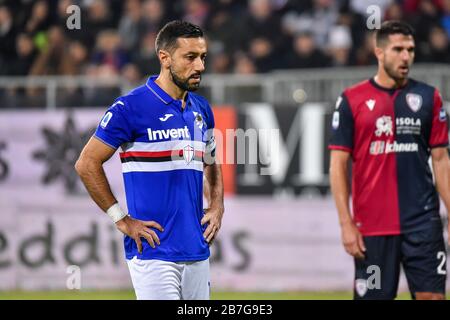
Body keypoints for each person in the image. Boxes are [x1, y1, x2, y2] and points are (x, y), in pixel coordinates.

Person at [75, 20, 224, 300]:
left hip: (196, 249)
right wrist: (121, 219)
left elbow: (211, 163)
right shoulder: (130, 107)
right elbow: (86, 163)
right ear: (164, 58)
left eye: (203, 57)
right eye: (190, 57)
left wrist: (217, 204)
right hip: (153, 253)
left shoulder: (202, 108)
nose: (200, 66)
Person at [329, 20, 450, 300]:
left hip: (423, 223)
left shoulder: (429, 97)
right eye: (398, 49)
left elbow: (441, 161)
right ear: (379, 53)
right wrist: (345, 222)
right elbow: (338, 165)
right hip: (372, 228)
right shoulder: (351, 100)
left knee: (432, 297)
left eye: (410, 49)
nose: (406, 56)